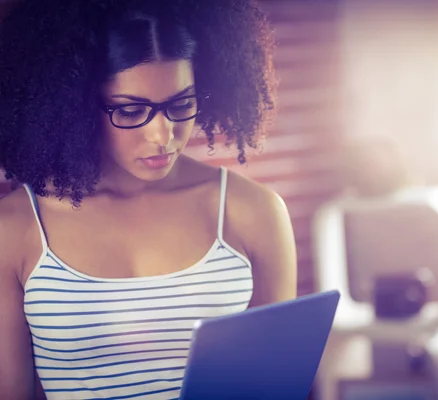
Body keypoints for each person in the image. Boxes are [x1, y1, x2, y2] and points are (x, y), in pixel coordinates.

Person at [0, 0, 298, 399]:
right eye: (130, 110)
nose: (163, 134)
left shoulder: (254, 212)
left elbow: (275, 386)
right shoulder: (17, 227)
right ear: (76, 106)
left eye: (181, 104)